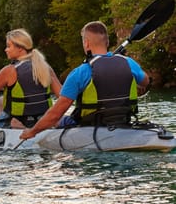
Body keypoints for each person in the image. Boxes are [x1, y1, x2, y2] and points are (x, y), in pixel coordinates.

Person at [20, 21, 150, 140]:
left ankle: (22, 127)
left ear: (86, 43)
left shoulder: (80, 73)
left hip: (89, 127)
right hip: (123, 121)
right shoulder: (129, 63)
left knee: (56, 120)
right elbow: (145, 82)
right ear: (107, 42)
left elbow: (56, 113)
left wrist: (32, 132)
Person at [0, 28, 62, 128]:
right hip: (43, 119)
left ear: (20, 48)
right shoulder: (45, 67)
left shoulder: (9, 70)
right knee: (2, 100)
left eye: (8, 46)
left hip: (19, 120)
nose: (5, 49)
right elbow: (62, 96)